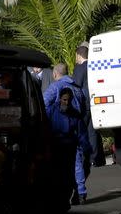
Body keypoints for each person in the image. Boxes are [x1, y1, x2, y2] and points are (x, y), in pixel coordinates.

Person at [43, 63, 90, 204]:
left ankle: (63, 196)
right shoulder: (77, 88)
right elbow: (84, 109)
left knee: (60, 168)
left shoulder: (55, 87)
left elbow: (43, 104)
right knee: (77, 165)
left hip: (59, 137)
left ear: (55, 74)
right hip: (74, 133)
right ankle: (81, 192)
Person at [72, 43, 107, 167]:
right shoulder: (94, 66)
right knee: (92, 132)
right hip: (95, 103)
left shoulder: (79, 68)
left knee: (81, 132)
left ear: (79, 55)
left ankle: (84, 159)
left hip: (83, 105)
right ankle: (94, 159)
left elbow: (76, 86)